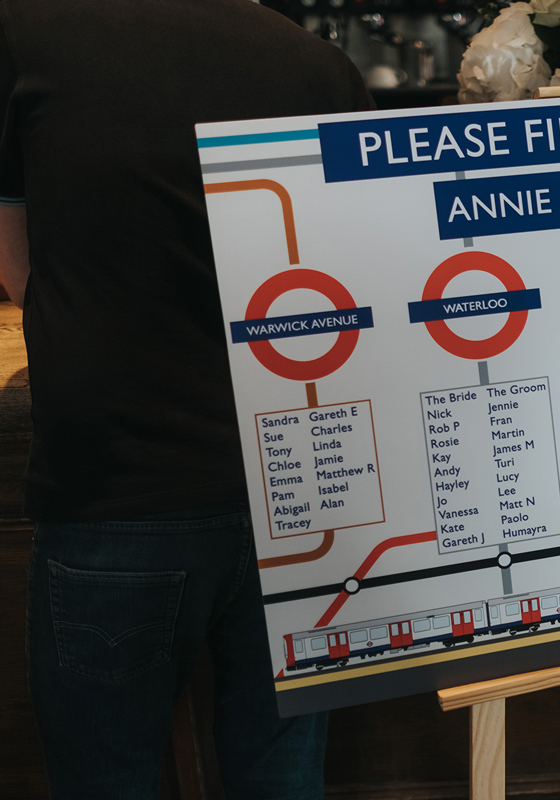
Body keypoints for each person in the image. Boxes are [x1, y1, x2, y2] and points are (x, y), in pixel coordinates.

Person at [0, 1, 373, 796]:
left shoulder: (25, 32)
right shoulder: (319, 62)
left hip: (121, 483)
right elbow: (356, 273)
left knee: (106, 779)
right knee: (281, 781)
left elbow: (15, 262)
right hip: (304, 495)